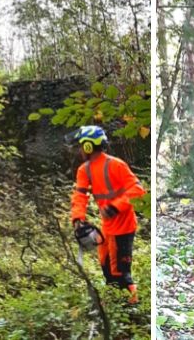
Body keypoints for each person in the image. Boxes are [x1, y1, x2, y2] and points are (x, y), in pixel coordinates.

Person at [69, 125, 146, 304]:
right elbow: (80, 195)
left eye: (81, 145)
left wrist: (115, 207)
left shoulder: (116, 165)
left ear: (88, 146)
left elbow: (138, 190)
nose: (80, 150)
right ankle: (115, 305)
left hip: (124, 225)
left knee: (121, 271)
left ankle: (133, 308)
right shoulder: (84, 170)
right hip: (107, 226)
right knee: (106, 267)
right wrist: (78, 218)